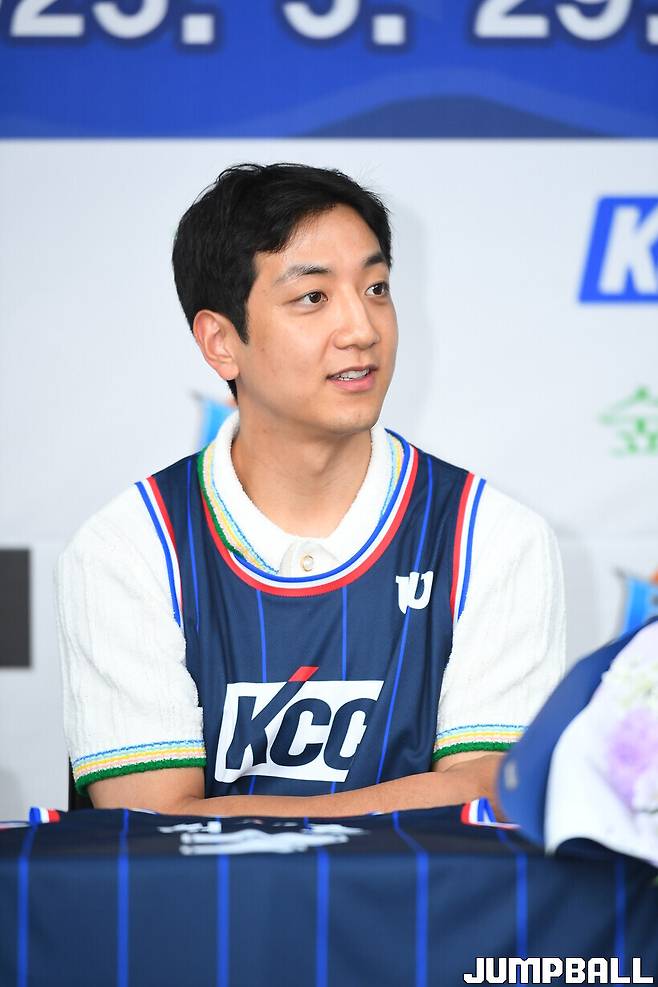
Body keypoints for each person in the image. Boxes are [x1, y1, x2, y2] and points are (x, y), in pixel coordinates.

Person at [56, 163, 566, 818]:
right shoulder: (129, 546)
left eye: (376, 288)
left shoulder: (489, 534)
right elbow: (150, 824)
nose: (362, 329)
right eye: (313, 297)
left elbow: (493, 792)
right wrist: (404, 807)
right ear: (221, 342)